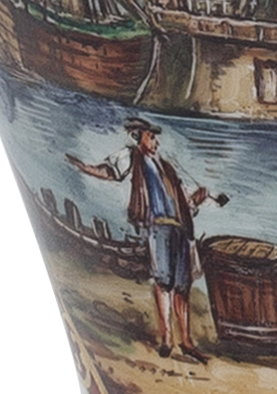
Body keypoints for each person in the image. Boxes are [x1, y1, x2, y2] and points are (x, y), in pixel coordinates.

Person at [68, 118, 210, 362]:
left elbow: (184, 201)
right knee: (163, 282)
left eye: (155, 138)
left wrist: (196, 199)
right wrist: (86, 168)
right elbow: (110, 171)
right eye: (151, 137)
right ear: (138, 136)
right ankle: (167, 338)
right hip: (158, 228)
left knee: (182, 286)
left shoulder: (167, 167)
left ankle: (186, 341)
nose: (156, 142)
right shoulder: (133, 158)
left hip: (180, 230)